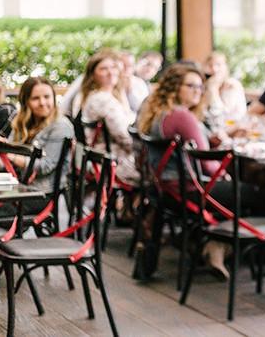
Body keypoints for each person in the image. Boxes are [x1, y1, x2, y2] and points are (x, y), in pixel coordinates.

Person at [138, 63, 236, 279]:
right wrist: (228, 172)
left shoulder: (157, 112)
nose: (197, 91)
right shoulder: (182, 116)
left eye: (200, 87)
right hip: (190, 192)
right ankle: (219, 244)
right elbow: (207, 165)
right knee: (261, 195)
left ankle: (207, 242)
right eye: (191, 86)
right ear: (174, 88)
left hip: (164, 191)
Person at [0, 77, 74, 214]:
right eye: (35, 98)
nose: (42, 103)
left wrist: (11, 155)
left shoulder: (60, 126)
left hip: (41, 194)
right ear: (26, 101)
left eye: (47, 97)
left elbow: (45, 166)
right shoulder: (21, 121)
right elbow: (3, 157)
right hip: (20, 188)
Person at [75, 50, 139, 185]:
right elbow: (125, 137)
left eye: (113, 67)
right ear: (92, 75)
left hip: (103, 160)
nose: (111, 72)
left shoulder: (99, 96)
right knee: (159, 174)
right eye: (104, 69)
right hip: (114, 163)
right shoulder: (102, 100)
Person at [204, 52, 247, 131]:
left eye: (218, 65)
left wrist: (213, 89)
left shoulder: (232, 85)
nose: (214, 69)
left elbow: (222, 116)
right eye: (210, 65)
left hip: (235, 128)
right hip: (217, 128)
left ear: (225, 67)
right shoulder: (208, 85)